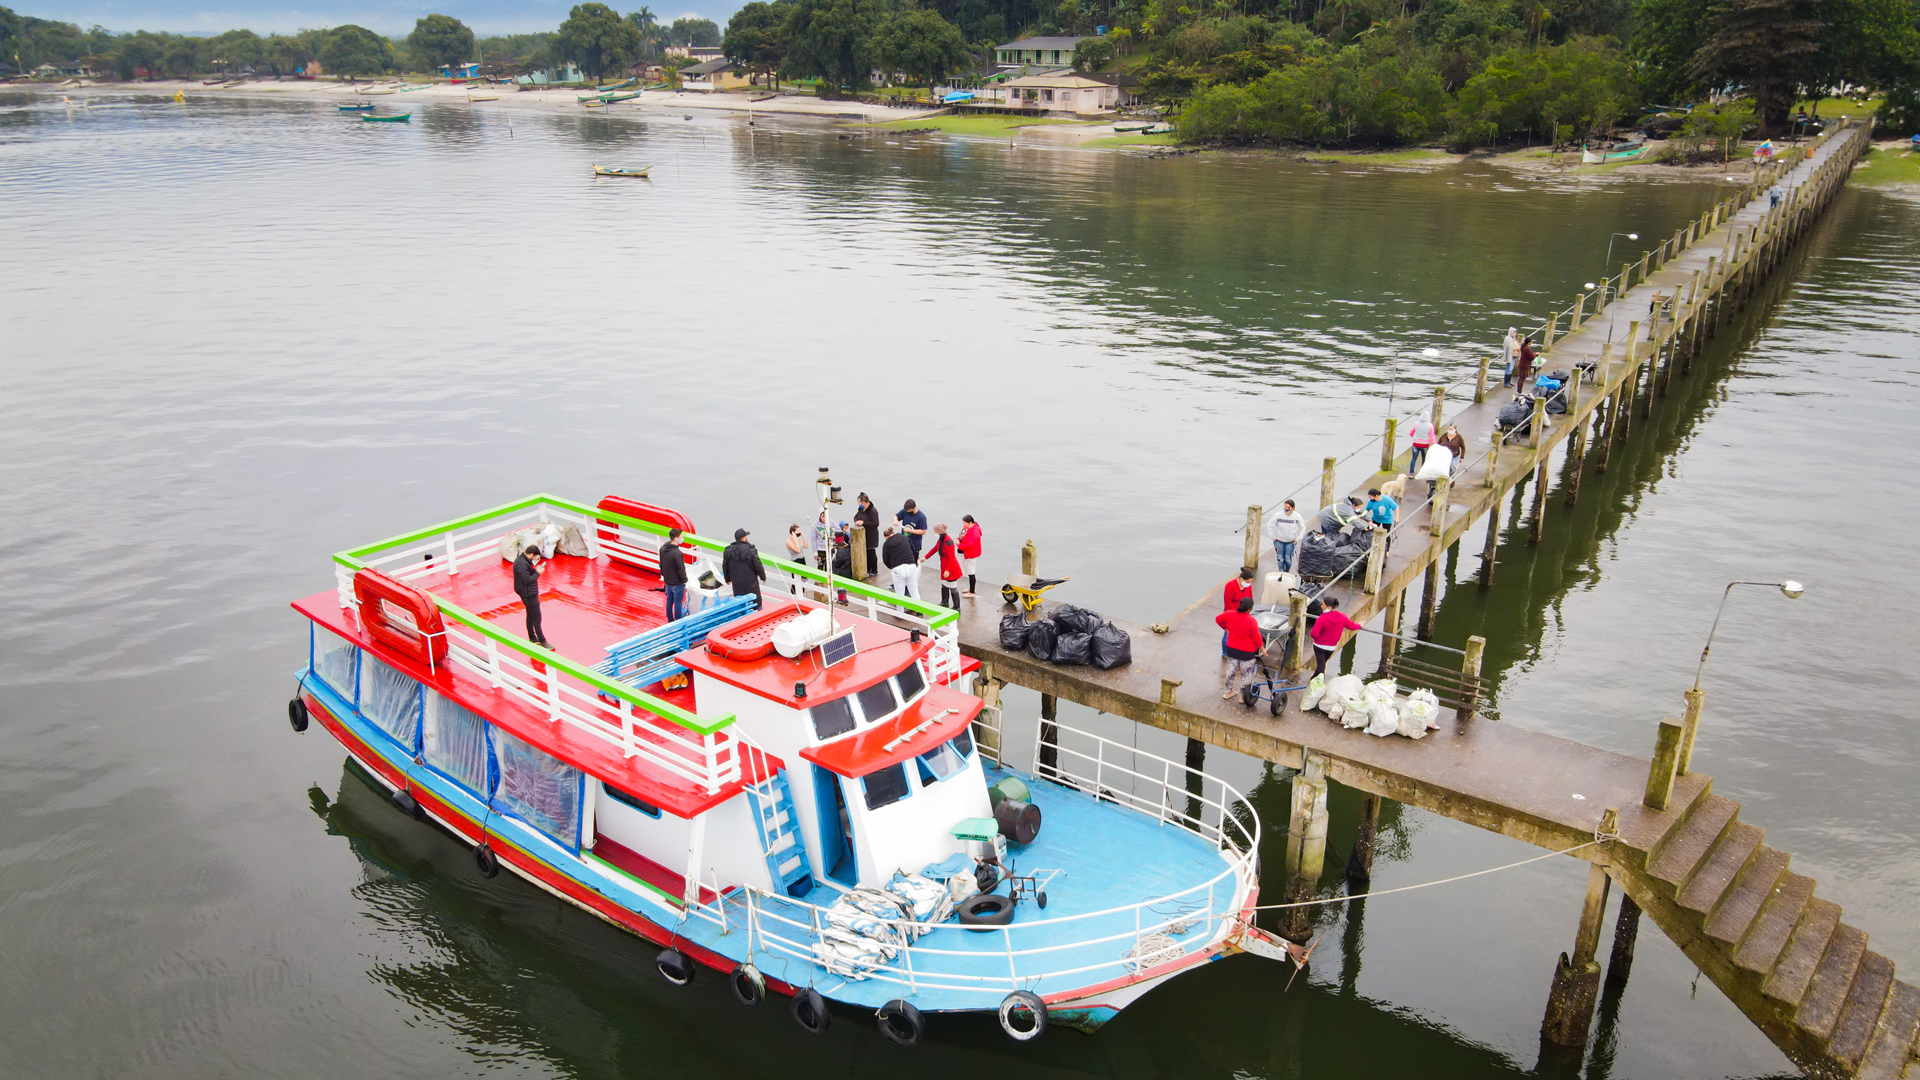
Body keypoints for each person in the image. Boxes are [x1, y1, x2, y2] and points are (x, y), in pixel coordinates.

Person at [1216, 596, 1263, 700]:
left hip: (1232, 650)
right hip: (1247, 653)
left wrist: (1226, 628)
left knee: (1231, 671)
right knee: (1245, 674)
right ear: (1250, 609)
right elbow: (1257, 637)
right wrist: (1262, 649)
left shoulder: (1229, 614)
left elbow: (1218, 619)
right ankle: (1243, 696)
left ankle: (1228, 692)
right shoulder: (1252, 621)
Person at [1308, 595, 1363, 677]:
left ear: (1329, 607)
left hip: (1319, 646)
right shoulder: (1342, 617)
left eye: (1322, 605)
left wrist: (1319, 638)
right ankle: (1314, 679)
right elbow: (1352, 626)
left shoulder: (1321, 619)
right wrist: (1360, 625)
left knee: (1321, 666)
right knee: (1322, 664)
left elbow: (1313, 634)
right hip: (1331, 647)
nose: (1321, 606)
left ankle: (1316, 682)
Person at [513, 543, 553, 648]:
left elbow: (525, 575)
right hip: (528, 593)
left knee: (530, 615)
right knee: (536, 616)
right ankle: (542, 640)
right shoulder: (522, 564)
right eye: (535, 556)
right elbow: (527, 580)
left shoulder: (521, 561)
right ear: (531, 554)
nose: (536, 558)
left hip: (525, 593)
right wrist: (538, 573)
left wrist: (533, 570)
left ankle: (532, 637)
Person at [923, 523, 964, 609]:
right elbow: (935, 548)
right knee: (944, 584)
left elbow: (951, 557)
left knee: (953, 587)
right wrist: (925, 557)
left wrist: (947, 570)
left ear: (938, 531)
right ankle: (945, 602)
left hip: (951, 567)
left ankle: (957, 607)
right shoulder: (941, 540)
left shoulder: (948, 542)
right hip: (945, 565)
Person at [722, 528, 765, 604]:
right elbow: (758, 565)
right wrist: (763, 577)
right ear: (744, 538)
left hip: (737, 582)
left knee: (739, 601)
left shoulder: (728, 551)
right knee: (755, 602)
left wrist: (727, 578)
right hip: (751, 582)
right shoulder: (751, 550)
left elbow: (725, 566)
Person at [881, 525, 919, 599]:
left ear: (886, 537)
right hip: (911, 566)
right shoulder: (904, 537)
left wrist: (892, 566)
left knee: (899, 594)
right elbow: (913, 551)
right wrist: (913, 562)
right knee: (914, 591)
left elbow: (885, 560)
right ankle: (918, 609)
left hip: (897, 569)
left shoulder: (886, 544)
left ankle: (900, 610)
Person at [659, 528, 688, 623]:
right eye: (681, 536)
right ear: (676, 538)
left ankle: (670, 620)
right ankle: (678, 622)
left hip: (668, 581)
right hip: (677, 582)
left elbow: (661, 564)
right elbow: (681, 569)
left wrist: (664, 576)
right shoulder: (677, 553)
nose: (682, 538)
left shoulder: (663, 548)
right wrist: (684, 580)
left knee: (669, 601)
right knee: (678, 603)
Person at [1267, 499, 1304, 573]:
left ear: (1293, 508)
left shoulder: (1297, 516)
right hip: (1279, 541)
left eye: (1288, 507)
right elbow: (1270, 524)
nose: (1286, 509)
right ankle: (1281, 572)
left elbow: (1302, 527)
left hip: (1291, 541)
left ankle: (1286, 571)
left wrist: (1298, 538)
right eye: (1285, 507)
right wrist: (1273, 537)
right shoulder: (1278, 515)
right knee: (1280, 558)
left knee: (1287, 558)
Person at [853, 493, 880, 579]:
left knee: (871, 552)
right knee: (866, 553)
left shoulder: (872, 511)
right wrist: (857, 521)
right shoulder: (861, 510)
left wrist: (863, 523)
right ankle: (868, 569)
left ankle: (874, 570)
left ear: (864, 502)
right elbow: (856, 516)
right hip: (863, 535)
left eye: (860, 502)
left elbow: (876, 523)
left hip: (871, 535)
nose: (859, 504)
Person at [957, 514, 983, 597]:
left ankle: (972, 592)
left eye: (965, 523)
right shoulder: (968, 529)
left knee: (971, 572)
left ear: (971, 523)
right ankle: (971, 588)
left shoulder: (974, 532)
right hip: (967, 553)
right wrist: (958, 540)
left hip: (971, 554)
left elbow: (969, 545)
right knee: (969, 571)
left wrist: (959, 545)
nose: (964, 525)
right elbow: (961, 536)